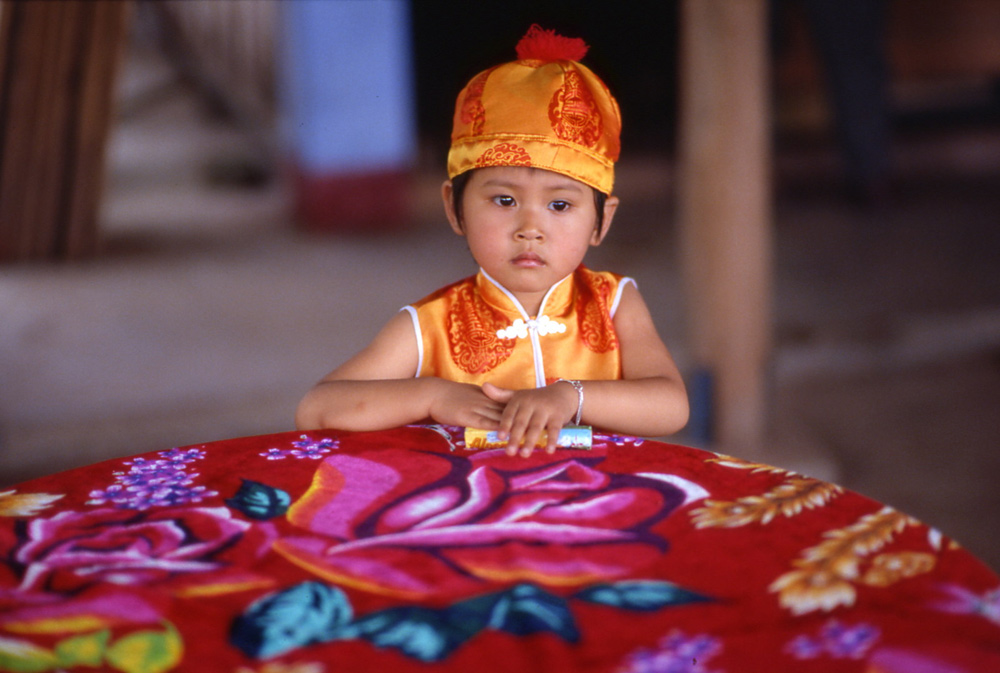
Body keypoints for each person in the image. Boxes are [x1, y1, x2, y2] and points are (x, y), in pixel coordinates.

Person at [296, 25, 688, 456]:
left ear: (602, 221)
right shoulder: (430, 326)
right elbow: (317, 409)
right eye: (504, 200)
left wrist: (570, 396)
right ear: (454, 208)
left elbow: (671, 407)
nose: (530, 228)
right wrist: (432, 395)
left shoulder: (614, 303)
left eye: (559, 205)